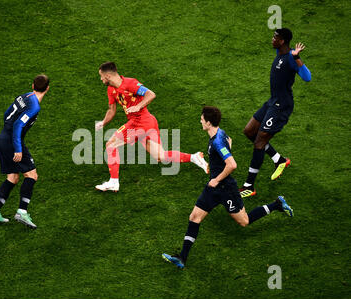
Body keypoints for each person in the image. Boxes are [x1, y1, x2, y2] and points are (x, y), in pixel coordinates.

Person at [162, 106, 293, 269]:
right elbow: (229, 141)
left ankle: (277, 205)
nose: (200, 121)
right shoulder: (220, 134)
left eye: (202, 119)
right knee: (194, 217)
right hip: (213, 188)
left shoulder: (217, 140)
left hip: (225, 188)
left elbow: (232, 165)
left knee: (244, 221)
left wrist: (216, 179)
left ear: (209, 123)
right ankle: (182, 258)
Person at [95, 62, 208, 192]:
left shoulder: (131, 83)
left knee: (110, 145)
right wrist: (103, 122)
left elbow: (151, 94)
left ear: (108, 75)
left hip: (141, 122)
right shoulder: (111, 89)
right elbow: (111, 110)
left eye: (101, 76)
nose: (101, 79)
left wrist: (138, 106)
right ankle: (194, 158)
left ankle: (114, 182)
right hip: (145, 122)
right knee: (161, 156)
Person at [239, 28, 311, 198]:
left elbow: (307, 77)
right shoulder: (280, 53)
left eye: (275, 38)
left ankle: (249, 185)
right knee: (249, 131)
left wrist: (297, 57)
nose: (272, 39)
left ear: (282, 41)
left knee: (259, 141)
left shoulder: (291, 58)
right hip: (272, 101)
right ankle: (279, 160)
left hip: (282, 106)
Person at [0, 74, 50, 229]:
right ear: (47, 88)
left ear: (32, 86)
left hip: (2, 138)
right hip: (12, 142)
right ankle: (22, 211)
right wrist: (17, 149)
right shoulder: (34, 106)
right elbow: (17, 126)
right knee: (31, 175)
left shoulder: (24, 96)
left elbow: (7, 114)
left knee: (13, 177)